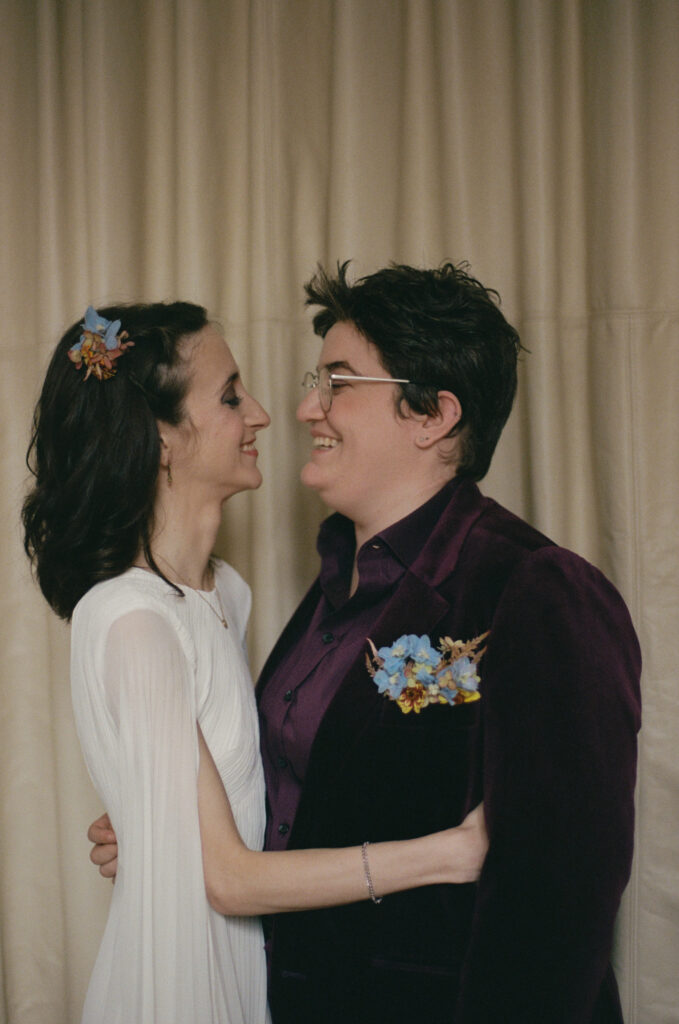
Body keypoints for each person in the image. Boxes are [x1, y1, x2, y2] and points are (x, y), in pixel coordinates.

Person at [89, 261, 642, 1024]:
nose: (304, 407)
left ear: (431, 416)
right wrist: (169, 837)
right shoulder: (326, 593)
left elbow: (558, 906)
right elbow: (305, 804)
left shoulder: (534, 588)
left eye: (339, 382)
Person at [23, 302, 488, 1024]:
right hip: (180, 985)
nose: (264, 415)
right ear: (161, 438)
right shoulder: (131, 618)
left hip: (252, 969)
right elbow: (229, 880)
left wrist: (156, 831)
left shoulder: (225, 595)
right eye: (231, 396)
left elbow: (243, 805)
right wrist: (451, 853)